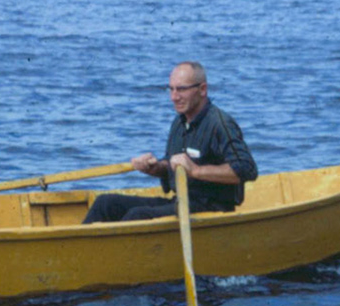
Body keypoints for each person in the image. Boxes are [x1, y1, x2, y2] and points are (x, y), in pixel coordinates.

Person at [82, 60, 257, 223]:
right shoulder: (179, 123)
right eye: (171, 89)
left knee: (138, 216)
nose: (174, 97)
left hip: (212, 208)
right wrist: (155, 167)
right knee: (105, 203)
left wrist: (196, 170)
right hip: (180, 201)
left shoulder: (220, 123)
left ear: (202, 89)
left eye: (181, 89)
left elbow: (246, 170)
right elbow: (171, 167)